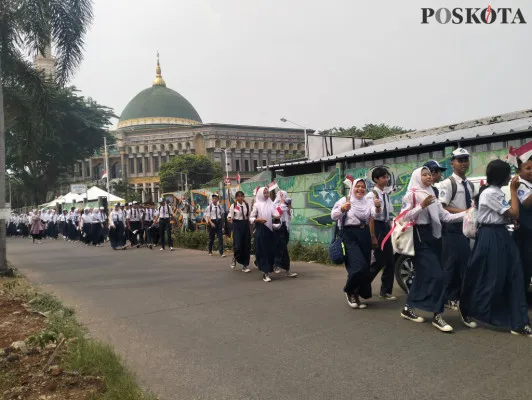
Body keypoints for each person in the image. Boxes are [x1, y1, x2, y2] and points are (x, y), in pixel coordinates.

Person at [460, 159, 531, 337]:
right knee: (491, 276)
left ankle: (518, 321)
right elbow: (514, 212)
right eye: (507, 173)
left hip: (500, 234)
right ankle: (473, 309)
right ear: (501, 176)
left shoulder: (495, 192)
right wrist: (514, 191)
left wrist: (510, 221)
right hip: (491, 237)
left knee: (514, 274)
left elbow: (506, 216)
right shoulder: (491, 193)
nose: (510, 177)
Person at [399, 167, 465, 333]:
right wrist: (421, 206)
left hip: (433, 236)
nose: (429, 177)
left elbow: (445, 216)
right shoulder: (411, 194)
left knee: (422, 275)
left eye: (430, 174)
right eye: (425, 174)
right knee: (438, 275)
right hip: (417, 237)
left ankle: (408, 308)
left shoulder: (432, 194)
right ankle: (437, 315)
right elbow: (404, 217)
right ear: (417, 176)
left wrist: (468, 213)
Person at [331, 177, 379, 309]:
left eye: (363, 187)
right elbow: (333, 215)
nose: (360, 189)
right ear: (353, 188)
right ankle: (349, 290)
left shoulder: (367, 202)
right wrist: (342, 209)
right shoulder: (345, 200)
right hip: (349, 235)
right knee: (358, 267)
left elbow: (375, 215)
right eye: (358, 186)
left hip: (364, 235)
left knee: (365, 268)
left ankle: (356, 294)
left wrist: (378, 206)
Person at [438, 148, 475, 310]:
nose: (463, 163)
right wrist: (465, 212)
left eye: (465, 160)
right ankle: (448, 297)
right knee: (452, 264)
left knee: (461, 264)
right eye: (460, 160)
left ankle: (454, 296)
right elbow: (443, 208)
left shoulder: (470, 185)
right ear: (452, 163)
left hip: (467, 228)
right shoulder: (448, 184)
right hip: (452, 228)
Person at [366, 167, 396, 301]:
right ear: (376, 179)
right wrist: (373, 236)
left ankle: (386, 291)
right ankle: (360, 286)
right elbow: (370, 217)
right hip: (376, 228)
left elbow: (388, 214)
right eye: (383, 177)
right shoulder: (371, 195)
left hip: (385, 227)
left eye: (387, 177)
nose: (386, 179)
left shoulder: (386, 194)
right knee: (378, 261)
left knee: (390, 261)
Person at [250, 187, 280, 282]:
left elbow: (275, 212)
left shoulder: (270, 203)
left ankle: (269, 268)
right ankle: (265, 272)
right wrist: (258, 220)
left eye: (267, 193)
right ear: (260, 194)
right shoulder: (257, 205)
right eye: (265, 193)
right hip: (261, 229)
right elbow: (251, 218)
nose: (267, 195)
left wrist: (277, 215)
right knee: (263, 251)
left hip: (270, 231)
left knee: (271, 250)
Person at [513, 149, 532, 298]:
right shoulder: (520, 185)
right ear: (519, 171)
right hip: (525, 235)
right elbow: (526, 203)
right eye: (528, 168)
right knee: (525, 270)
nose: (531, 171)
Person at [272, 190, 298, 278]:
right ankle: (281, 266)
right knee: (282, 249)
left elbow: (289, 217)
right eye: (283, 196)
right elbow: (278, 213)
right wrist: (282, 203)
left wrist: (289, 209)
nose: (284, 197)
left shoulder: (286, 206)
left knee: (282, 248)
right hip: (278, 229)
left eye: (285, 196)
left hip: (285, 229)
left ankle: (277, 264)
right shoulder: (274, 205)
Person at [228, 191, 251, 272]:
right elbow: (229, 216)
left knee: (246, 245)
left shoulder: (246, 206)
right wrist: (230, 219)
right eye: (238, 196)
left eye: (242, 196)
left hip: (245, 225)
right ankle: (235, 257)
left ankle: (245, 265)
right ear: (236, 198)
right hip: (237, 225)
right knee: (238, 245)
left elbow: (249, 216)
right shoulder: (233, 206)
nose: (240, 198)